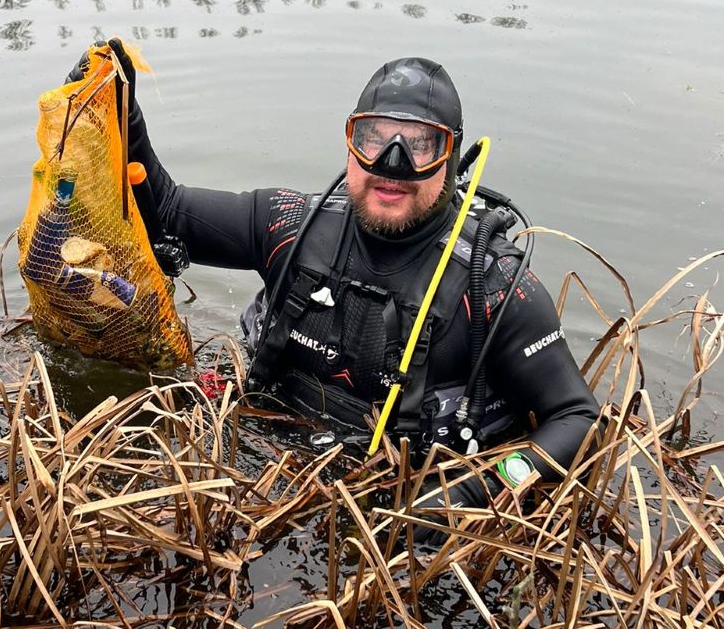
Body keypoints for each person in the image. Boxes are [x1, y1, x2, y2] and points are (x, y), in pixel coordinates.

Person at [77, 44, 600, 510]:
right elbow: (166, 212)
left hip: (408, 505)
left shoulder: (497, 287)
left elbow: (578, 419)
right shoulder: (289, 226)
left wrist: (472, 490)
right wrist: (122, 114)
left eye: (421, 145)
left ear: (453, 160)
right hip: (273, 466)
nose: (392, 165)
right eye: (373, 138)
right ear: (350, 144)